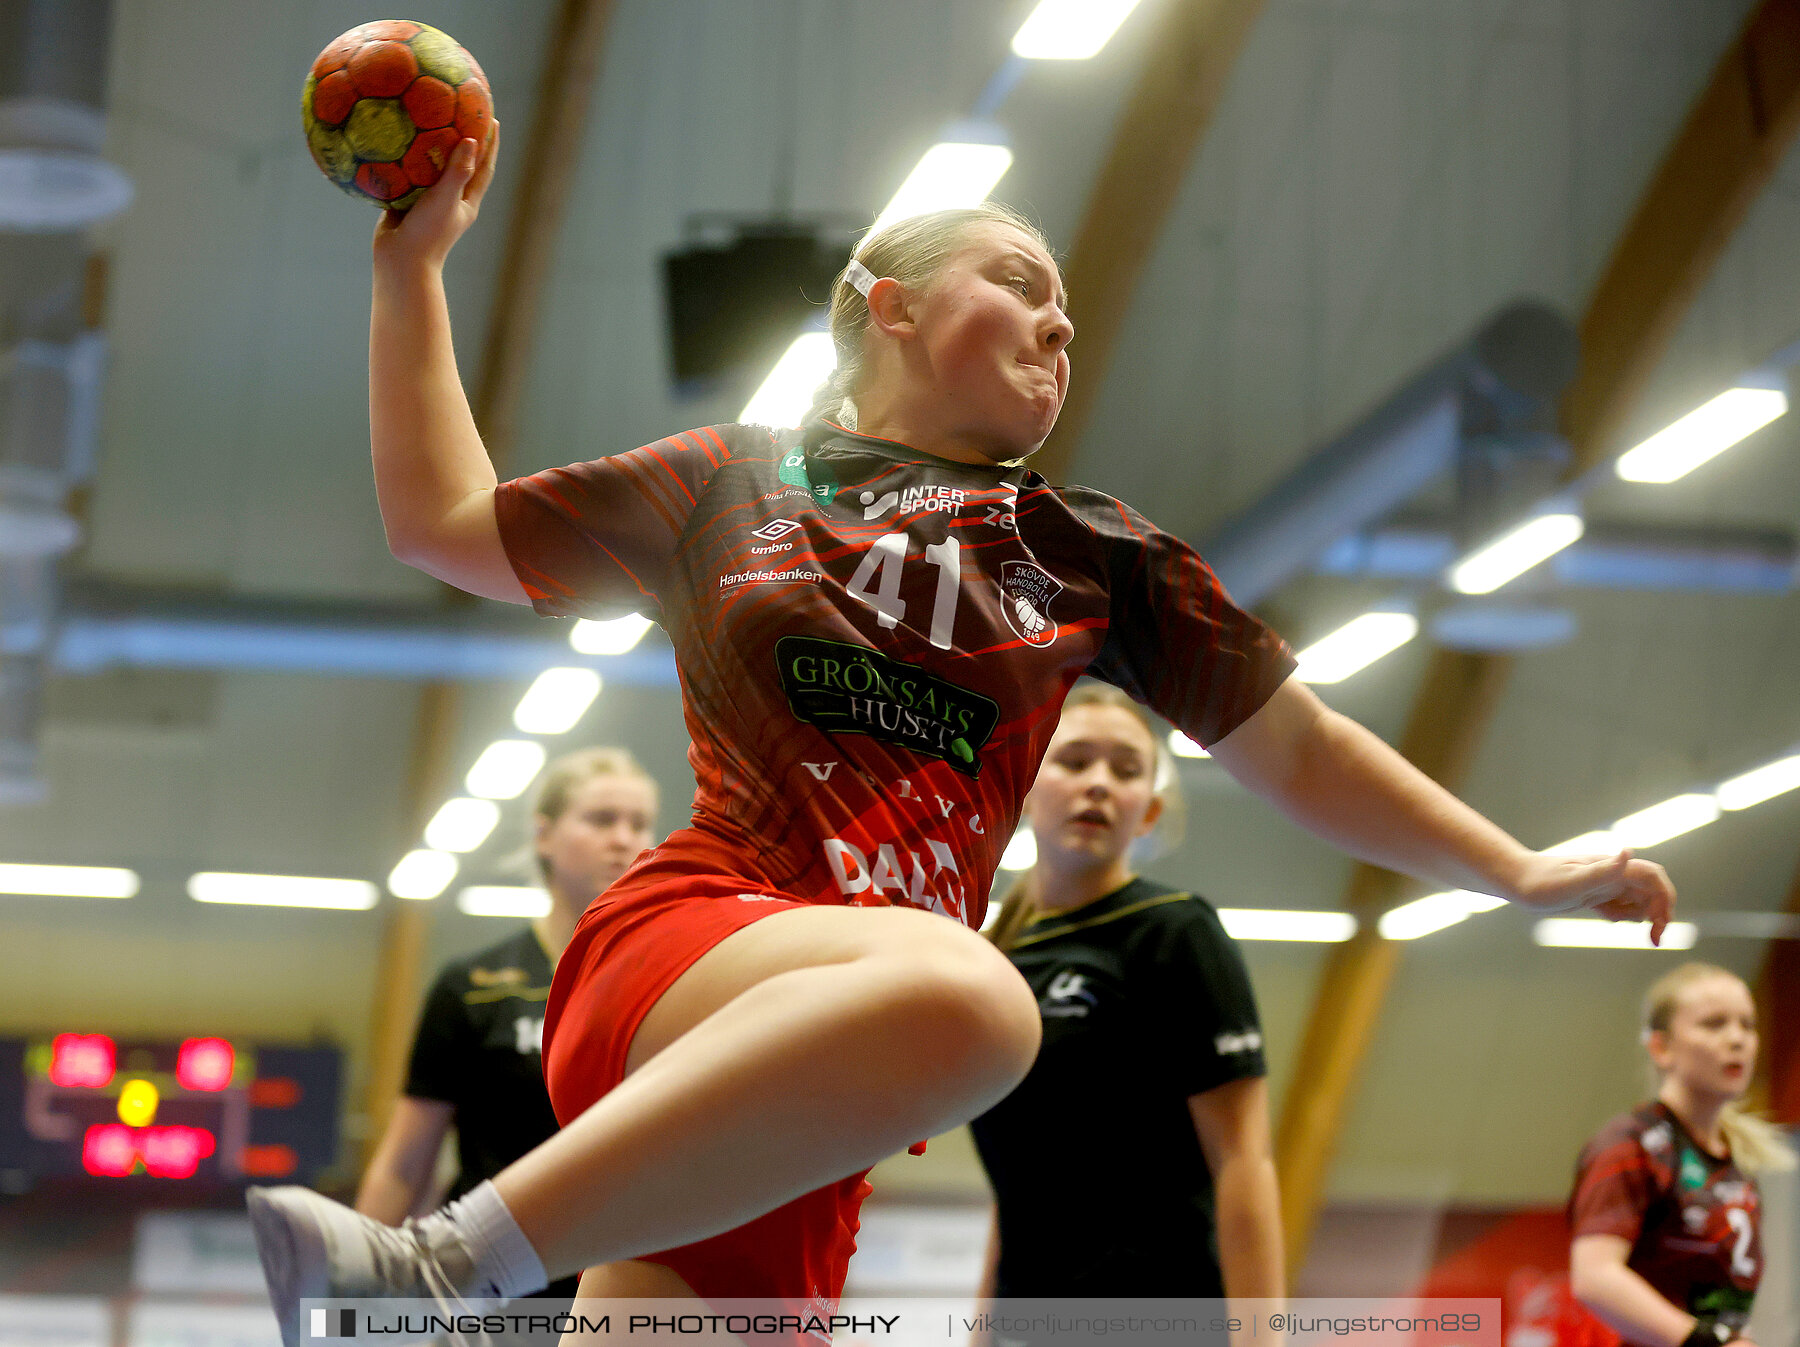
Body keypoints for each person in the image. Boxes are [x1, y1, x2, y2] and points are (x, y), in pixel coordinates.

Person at [247, 127, 1675, 1347]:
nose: (1061, 324)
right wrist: (411, 264)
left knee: (935, 1016)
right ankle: (437, 1262)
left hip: (823, 1078)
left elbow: (1299, 747)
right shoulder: (729, 480)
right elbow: (442, 524)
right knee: (987, 1000)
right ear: (889, 305)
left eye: (1071, 311)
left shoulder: (1094, 548)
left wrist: (1525, 870)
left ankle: (468, 1254)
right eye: (1021, 284)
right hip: (695, 949)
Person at [970, 684, 1282, 1314]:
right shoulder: (994, 954)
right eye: (1075, 760)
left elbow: (1244, 1160)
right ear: (1025, 789)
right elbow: (1022, 1184)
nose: (1100, 784)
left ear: (1147, 814)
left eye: (1126, 770)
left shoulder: (1175, 932)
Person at [353, 747, 659, 1310]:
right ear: (544, 836)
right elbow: (404, 1162)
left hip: (621, 1285)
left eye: (638, 823)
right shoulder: (472, 985)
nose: (623, 838)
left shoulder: (670, 981)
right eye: (601, 819)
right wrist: (350, 1293)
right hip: (490, 1289)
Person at [1569, 963, 1794, 1347]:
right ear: (1661, 1047)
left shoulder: (1735, 1157)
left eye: (1748, 1025)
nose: (1737, 1039)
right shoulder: (1631, 1145)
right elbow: (1594, 1277)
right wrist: (1706, 1343)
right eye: (1714, 1024)